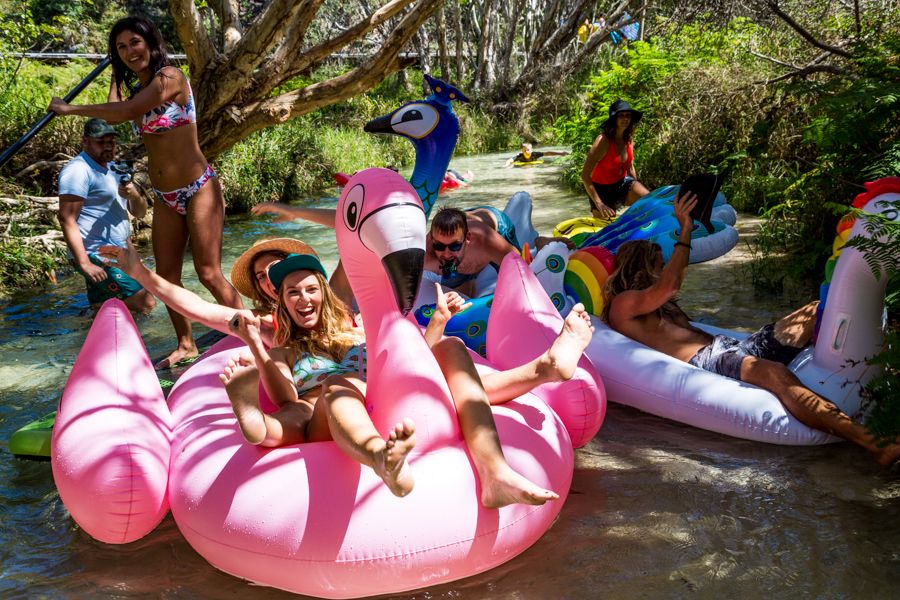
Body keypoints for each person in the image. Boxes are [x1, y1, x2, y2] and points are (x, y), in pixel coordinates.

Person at [219, 250, 596, 506]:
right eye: (292, 293)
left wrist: (436, 324)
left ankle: (499, 464)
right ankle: (370, 455)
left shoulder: (361, 329)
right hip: (328, 413)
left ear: (324, 293)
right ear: (282, 302)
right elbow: (286, 396)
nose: (303, 299)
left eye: (310, 289)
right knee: (332, 389)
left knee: (448, 347)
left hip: (386, 394)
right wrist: (254, 342)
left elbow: (407, 359)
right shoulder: (285, 351)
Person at [602, 193, 900, 467]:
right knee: (775, 375)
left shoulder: (656, 304)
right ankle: (873, 443)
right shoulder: (624, 304)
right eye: (658, 262)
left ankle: (868, 378)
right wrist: (685, 231)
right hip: (711, 360)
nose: (663, 266)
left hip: (733, 345)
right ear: (639, 263)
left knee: (814, 309)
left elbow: (671, 282)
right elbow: (671, 284)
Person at [49, 15, 242, 369]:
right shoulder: (138, 89)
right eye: (121, 47)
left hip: (199, 188)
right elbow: (118, 110)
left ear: (151, 43)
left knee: (208, 272)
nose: (129, 51)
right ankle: (186, 344)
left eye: (134, 43)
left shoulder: (171, 78)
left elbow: (127, 112)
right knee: (165, 276)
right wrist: (114, 69)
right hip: (165, 196)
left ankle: (247, 331)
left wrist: (70, 108)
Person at [99, 237, 317, 350]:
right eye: (261, 276)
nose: (269, 278)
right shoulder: (266, 323)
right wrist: (141, 273)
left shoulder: (331, 303)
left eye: (275, 268)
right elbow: (198, 308)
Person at [57, 118, 155, 314]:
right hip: (96, 254)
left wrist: (133, 194)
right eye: (101, 142)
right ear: (85, 141)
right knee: (145, 303)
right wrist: (84, 262)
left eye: (111, 142)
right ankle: (146, 343)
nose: (108, 147)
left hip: (119, 251)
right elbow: (66, 218)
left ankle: (92, 342)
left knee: (105, 311)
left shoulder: (114, 169)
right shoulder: (78, 170)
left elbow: (140, 212)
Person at [424, 206, 575, 297]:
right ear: (432, 239)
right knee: (461, 299)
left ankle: (541, 242)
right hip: (459, 222)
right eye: (439, 247)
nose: (447, 253)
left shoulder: (486, 242)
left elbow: (522, 269)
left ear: (468, 238)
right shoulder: (425, 253)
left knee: (524, 268)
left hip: (496, 224)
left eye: (455, 246)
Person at [581, 99, 650, 220]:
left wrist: (636, 187)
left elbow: (630, 167)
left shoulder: (628, 139)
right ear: (614, 119)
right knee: (605, 231)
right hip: (601, 192)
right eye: (621, 115)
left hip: (622, 184)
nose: (625, 119)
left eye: (628, 115)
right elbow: (585, 175)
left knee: (649, 201)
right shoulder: (602, 141)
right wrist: (599, 203)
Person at [503, 143, 568, 168]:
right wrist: (506, 165)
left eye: (528, 150)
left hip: (534, 164)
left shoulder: (535, 154)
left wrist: (560, 153)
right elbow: (509, 160)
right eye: (524, 150)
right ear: (522, 151)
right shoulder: (519, 156)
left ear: (531, 150)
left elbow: (547, 153)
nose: (526, 151)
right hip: (523, 164)